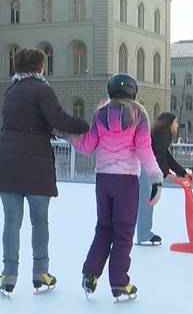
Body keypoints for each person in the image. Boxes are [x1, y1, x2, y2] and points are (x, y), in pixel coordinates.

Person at [0, 47, 89, 295]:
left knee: (11, 222)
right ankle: (40, 273)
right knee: (39, 222)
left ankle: (8, 274)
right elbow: (59, 119)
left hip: (7, 162)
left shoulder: (11, 91)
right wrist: (86, 125)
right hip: (35, 164)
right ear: (39, 67)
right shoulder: (41, 89)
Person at [70, 73, 163, 301]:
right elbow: (144, 148)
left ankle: (90, 273)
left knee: (104, 227)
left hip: (104, 179)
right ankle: (120, 282)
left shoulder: (100, 114)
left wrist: (68, 134)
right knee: (123, 232)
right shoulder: (138, 115)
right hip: (126, 181)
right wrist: (156, 177)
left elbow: (87, 145)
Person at [135, 112, 188, 246]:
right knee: (147, 200)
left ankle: (144, 233)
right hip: (145, 167)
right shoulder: (163, 135)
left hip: (145, 166)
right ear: (169, 123)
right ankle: (144, 234)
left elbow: (166, 156)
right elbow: (159, 156)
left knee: (148, 200)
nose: (177, 124)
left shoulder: (162, 134)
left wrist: (182, 173)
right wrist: (169, 175)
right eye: (176, 122)